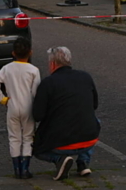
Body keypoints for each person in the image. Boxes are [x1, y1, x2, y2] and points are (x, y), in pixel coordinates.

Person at [32, 46, 100, 181]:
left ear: (52, 64)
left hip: (61, 144)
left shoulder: (48, 83)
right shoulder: (85, 77)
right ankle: (83, 162)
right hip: (88, 140)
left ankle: (59, 159)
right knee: (94, 121)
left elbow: (38, 115)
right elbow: (94, 105)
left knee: (36, 148)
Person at [0, 37, 41, 179]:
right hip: (28, 106)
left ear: (13, 53)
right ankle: (25, 169)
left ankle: (16, 169)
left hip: (12, 106)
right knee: (28, 137)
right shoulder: (34, 70)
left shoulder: (7, 68)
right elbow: (36, 91)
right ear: (30, 52)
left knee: (14, 137)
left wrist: (2, 99)